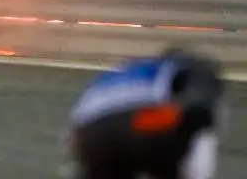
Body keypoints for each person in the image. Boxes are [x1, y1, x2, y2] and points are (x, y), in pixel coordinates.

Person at [68, 48, 227, 179]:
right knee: (194, 124)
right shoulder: (190, 67)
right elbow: (199, 106)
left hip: (86, 130)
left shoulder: (134, 68)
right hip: (142, 121)